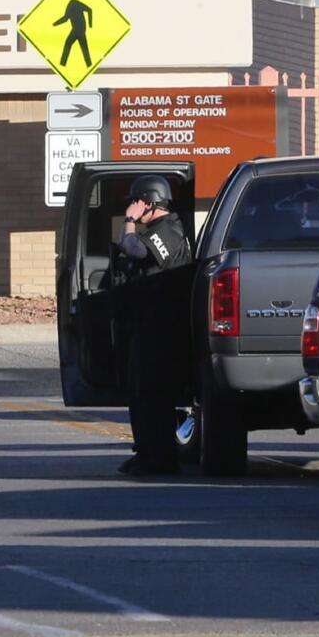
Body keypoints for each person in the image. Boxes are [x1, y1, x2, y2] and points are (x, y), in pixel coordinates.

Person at [115, 175, 192, 476]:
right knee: (140, 393)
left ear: (148, 202)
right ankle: (145, 451)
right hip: (148, 325)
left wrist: (129, 221)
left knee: (155, 395)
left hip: (162, 329)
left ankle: (161, 458)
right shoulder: (160, 231)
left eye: (137, 203)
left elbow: (135, 249)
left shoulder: (168, 231)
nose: (133, 208)